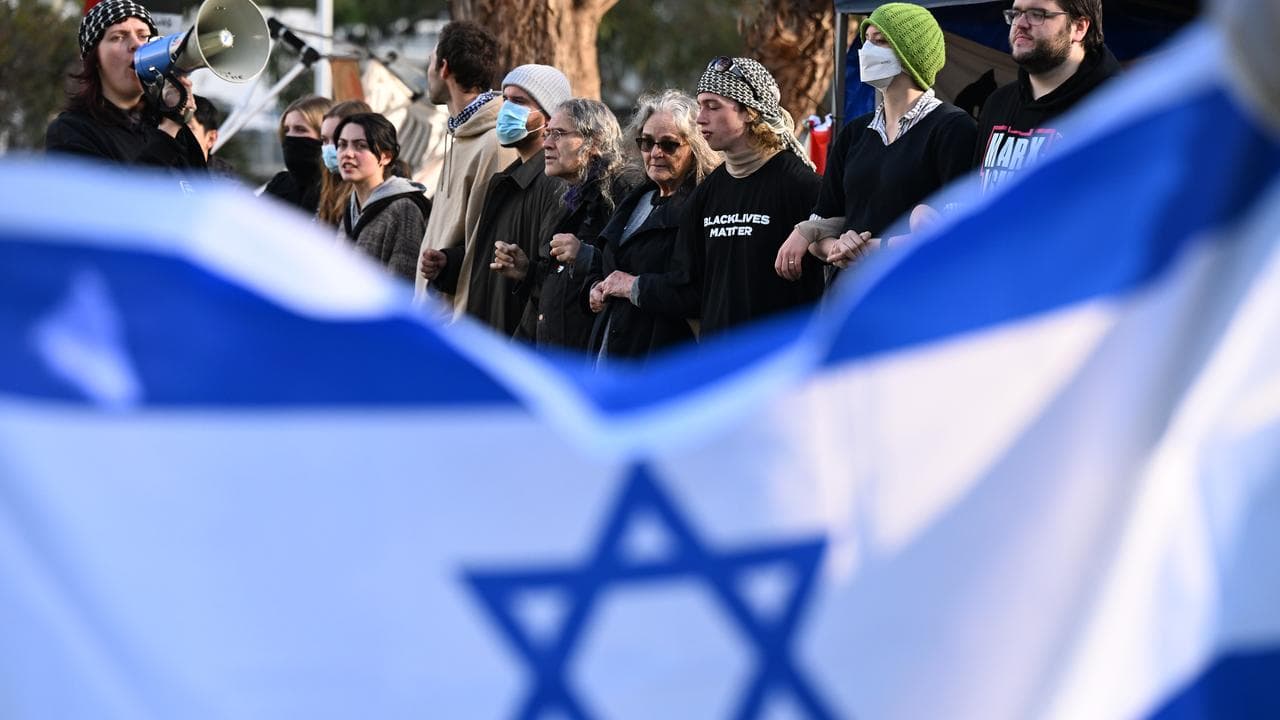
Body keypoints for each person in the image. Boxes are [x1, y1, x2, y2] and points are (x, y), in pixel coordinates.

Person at [622, 57, 823, 340]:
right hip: (721, 357)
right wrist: (632, 286)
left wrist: (814, 231)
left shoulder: (797, 182)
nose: (700, 118)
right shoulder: (707, 192)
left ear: (750, 112)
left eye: (713, 106)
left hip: (781, 358)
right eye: (700, 105)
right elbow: (689, 287)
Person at [774, 3, 977, 274]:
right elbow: (822, 226)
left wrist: (872, 249)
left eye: (880, 41)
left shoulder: (953, 127)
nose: (866, 50)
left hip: (914, 288)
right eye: (866, 40)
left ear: (911, 54)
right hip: (850, 291)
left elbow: (958, 231)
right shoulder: (854, 132)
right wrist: (837, 248)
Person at [491, 99, 637, 350]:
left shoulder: (621, 193)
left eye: (558, 134)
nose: (546, 144)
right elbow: (560, 289)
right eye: (547, 133)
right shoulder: (569, 196)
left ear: (595, 141)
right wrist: (527, 271)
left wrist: (584, 255)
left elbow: (631, 274)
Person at [587, 90, 721, 362]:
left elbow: (702, 291)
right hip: (611, 354)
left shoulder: (707, 205)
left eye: (669, 144)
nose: (656, 153)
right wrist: (595, 287)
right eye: (647, 143)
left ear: (695, 147)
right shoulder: (636, 199)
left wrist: (634, 287)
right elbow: (607, 262)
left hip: (665, 360)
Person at [447, 64, 571, 336]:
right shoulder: (507, 180)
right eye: (505, 99)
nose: (506, 109)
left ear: (548, 118)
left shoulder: (554, 184)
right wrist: (447, 264)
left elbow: (550, 281)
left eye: (519, 101)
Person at [415, 21, 517, 311]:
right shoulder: (460, 135)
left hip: (458, 320)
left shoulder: (494, 143)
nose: (428, 71)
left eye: (431, 62)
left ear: (444, 68)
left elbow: (488, 244)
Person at [975, 0, 1118, 192]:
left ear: (1079, 28)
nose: (1020, 24)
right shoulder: (998, 103)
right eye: (1016, 14)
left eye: (1037, 14)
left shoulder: (1116, 108)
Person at [45, 0, 205, 169]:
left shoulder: (164, 121)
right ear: (95, 59)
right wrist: (168, 131)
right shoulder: (71, 130)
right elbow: (123, 187)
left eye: (143, 36)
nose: (137, 45)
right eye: (118, 37)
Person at [335, 113, 431, 282]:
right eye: (342, 145)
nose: (348, 153)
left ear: (386, 156)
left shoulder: (404, 209)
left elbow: (402, 283)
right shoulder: (352, 205)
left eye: (360, 146)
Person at [262, 95, 332, 214]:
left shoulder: (341, 192)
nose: (290, 136)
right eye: (286, 130)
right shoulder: (279, 184)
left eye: (300, 129)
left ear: (325, 136)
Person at [317, 99, 373, 228]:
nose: (329, 148)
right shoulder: (327, 185)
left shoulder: (375, 198)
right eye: (324, 140)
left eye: (339, 140)